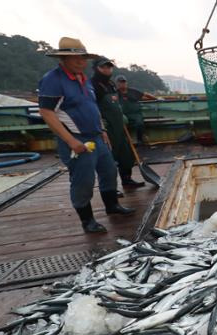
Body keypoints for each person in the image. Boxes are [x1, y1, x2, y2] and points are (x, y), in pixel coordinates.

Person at [38, 37, 134, 233]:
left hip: (97, 137)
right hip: (76, 138)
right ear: (63, 59)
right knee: (84, 180)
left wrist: (102, 130)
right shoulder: (53, 80)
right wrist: (71, 141)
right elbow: (47, 112)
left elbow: (92, 107)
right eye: (76, 59)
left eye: (84, 58)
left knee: (109, 171)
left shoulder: (85, 80)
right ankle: (87, 220)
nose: (82, 62)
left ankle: (112, 205)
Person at [91, 57, 144, 187]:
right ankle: (111, 188)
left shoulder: (111, 85)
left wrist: (122, 117)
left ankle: (127, 180)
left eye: (109, 67)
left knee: (126, 156)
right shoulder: (92, 85)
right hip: (107, 128)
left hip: (120, 127)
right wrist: (101, 125)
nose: (107, 69)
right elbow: (91, 107)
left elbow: (116, 104)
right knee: (109, 160)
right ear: (96, 69)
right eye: (103, 67)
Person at [115, 74, 158, 144]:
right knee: (119, 124)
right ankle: (124, 141)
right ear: (117, 83)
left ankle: (140, 140)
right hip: (123, 114)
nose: (123, 84)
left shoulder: (133, 91)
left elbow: (145, 94)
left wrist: (157, 99)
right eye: (120, 82)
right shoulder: (115, 93)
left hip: (135, 113)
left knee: (139, 123)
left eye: (124, 82)